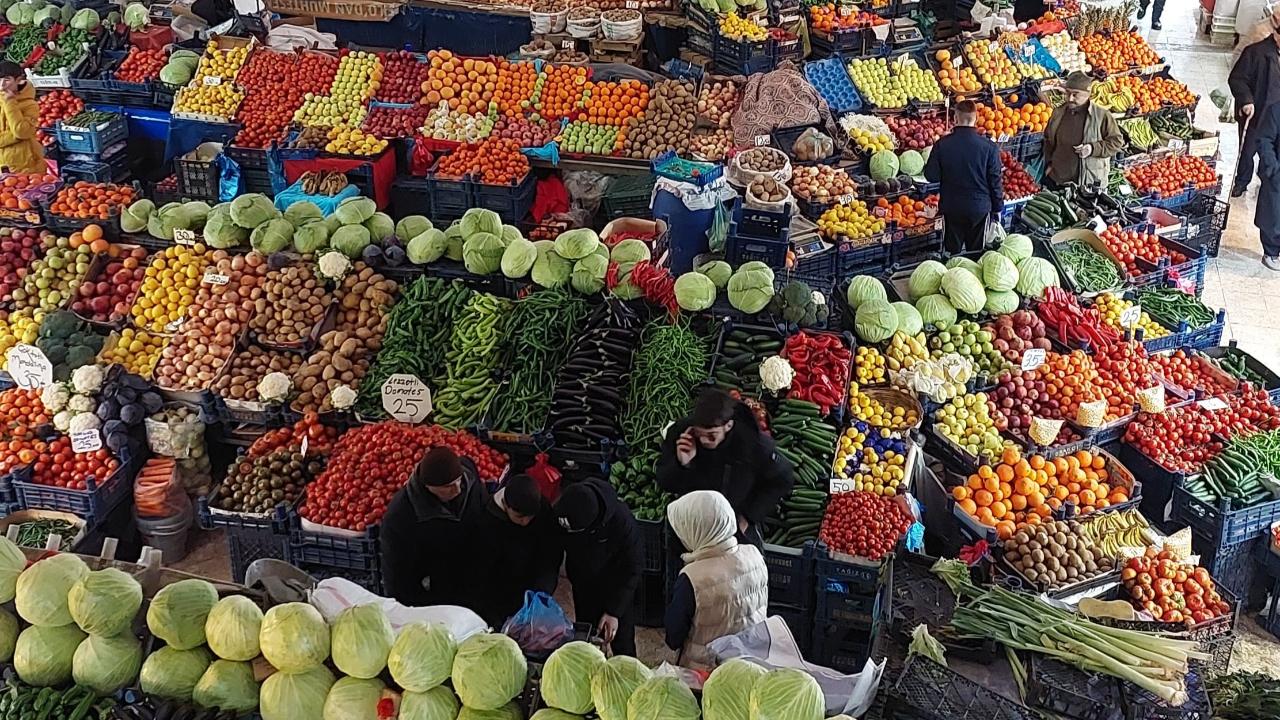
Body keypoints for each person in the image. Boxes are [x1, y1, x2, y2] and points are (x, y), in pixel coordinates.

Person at [657, 388, 794, 550]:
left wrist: (747, 517)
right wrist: (682, 463)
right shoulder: (681, 435)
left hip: (734, 532)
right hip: (692, 528)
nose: (704, 440)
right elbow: (664, 481)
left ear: (728, 426)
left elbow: (782, 480)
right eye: (699, 433)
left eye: (712, 435)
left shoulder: (753, 445)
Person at [663, 490, 768, 670]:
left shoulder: (692, 579)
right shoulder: (753, 554)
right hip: (749, 664)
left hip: (706, 673)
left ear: (695, 530)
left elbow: (674, 638)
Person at [381, 447, 489, 608]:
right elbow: (397, 575)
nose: (458, 489)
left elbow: (485, 518)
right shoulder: (401, 515)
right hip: (438, 590)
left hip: (476, 577)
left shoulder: (470, 479)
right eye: (448, 486)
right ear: (428, 487)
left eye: (459, 480)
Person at [554, 477, 642, 657]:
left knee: (622, 643)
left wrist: (614, 611)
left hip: (616, 587)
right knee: (586, 639)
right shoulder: (566, 510)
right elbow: (551, 549)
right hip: (584, 586)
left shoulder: (622, 523)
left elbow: (633, 568)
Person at [469, 474, 563, 627]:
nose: (525, 522)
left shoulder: (542, 510)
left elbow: (551, 554)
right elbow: (480, 575)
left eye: (530, 517)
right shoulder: (486, 523)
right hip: (500, 595)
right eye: (519, 517)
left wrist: (543, 590)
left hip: (533, 589)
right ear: (506, 506)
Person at [923, 99, 1003, 254]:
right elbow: (995, 181)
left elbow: (931, 176)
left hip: (952, 208)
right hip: (979, 208)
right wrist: (997, 207)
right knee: (976, 253)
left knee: (952, 253)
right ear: (976, 118)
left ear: (954, 118)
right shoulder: (989, 148)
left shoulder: (942, 144)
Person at [1043, 72, 1125, 190]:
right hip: (1058, 179)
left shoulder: (1102, 116)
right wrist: (1049, 165)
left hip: (1087, 184)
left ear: (1087, 94)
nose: (1070, 98)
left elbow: (1116, 142)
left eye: (1075, 95)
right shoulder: (1058, 113)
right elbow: (1048, 139)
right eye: (1068, 93)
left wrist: (1092, 149)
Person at [1229, 14, 1280, 198]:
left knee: (1272, 151)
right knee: (1247, 150)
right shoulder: (1255, 52)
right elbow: (1237, 79)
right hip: (1257, 113)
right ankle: (1241, 182)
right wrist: (1246, 100)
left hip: (1276, 117)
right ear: (1276, 35)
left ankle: (1269, 180)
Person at [1248, 102, 1280, 269]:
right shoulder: (1275, 110)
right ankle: (1271, 252)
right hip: (1277, 175)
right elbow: (1265, 139)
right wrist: (1272, 167)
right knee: (1273, 214)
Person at [0, 63, 42, 175]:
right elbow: (20, 135)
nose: (2, 85)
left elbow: (22, 132)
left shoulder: (30, 105)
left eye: (7, 80)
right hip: (3, 166)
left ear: (18, 80)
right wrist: (14, 137)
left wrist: (10, 103)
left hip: (27, 166)